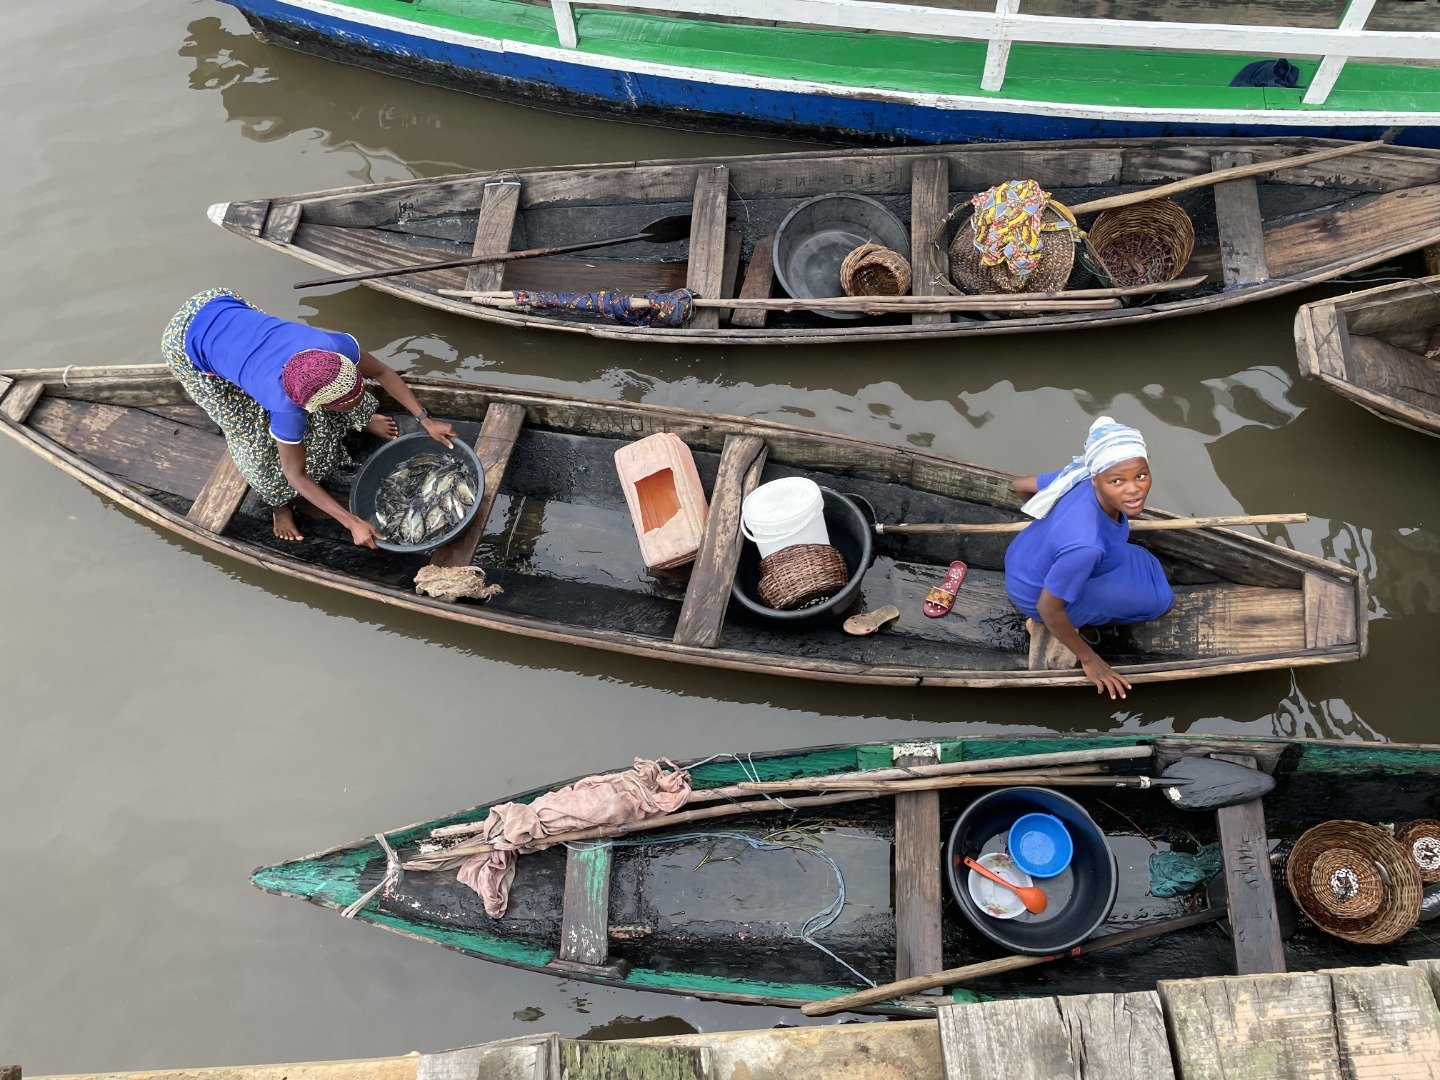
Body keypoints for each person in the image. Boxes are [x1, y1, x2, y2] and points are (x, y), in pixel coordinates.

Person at [161, 287, 456, 547]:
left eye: (357, 387)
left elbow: (381, 372)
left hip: (221, 304)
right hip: (188, 344)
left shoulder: (335, 347)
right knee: (246, 430)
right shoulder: (285, 408)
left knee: (348, 393)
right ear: (315, 406)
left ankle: (362, 419)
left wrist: (424, 418)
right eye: (346, 402)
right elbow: (295, 474)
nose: (358, 394)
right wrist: (351, 522)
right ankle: (280, 507)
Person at [1004, 416, 1174, 700]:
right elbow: (1048, 607)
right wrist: (1089, 659)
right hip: (1036, 595)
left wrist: (1048, 521)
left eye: (1140, 476)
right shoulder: (1086, 545)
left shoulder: (1078, 475)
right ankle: (1075, 625)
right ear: (1097, 479)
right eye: (1117, 481)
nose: (1133, 490)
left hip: (1023, 556)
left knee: (1146, 560)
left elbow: (1018, 485)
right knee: (1162, 602)